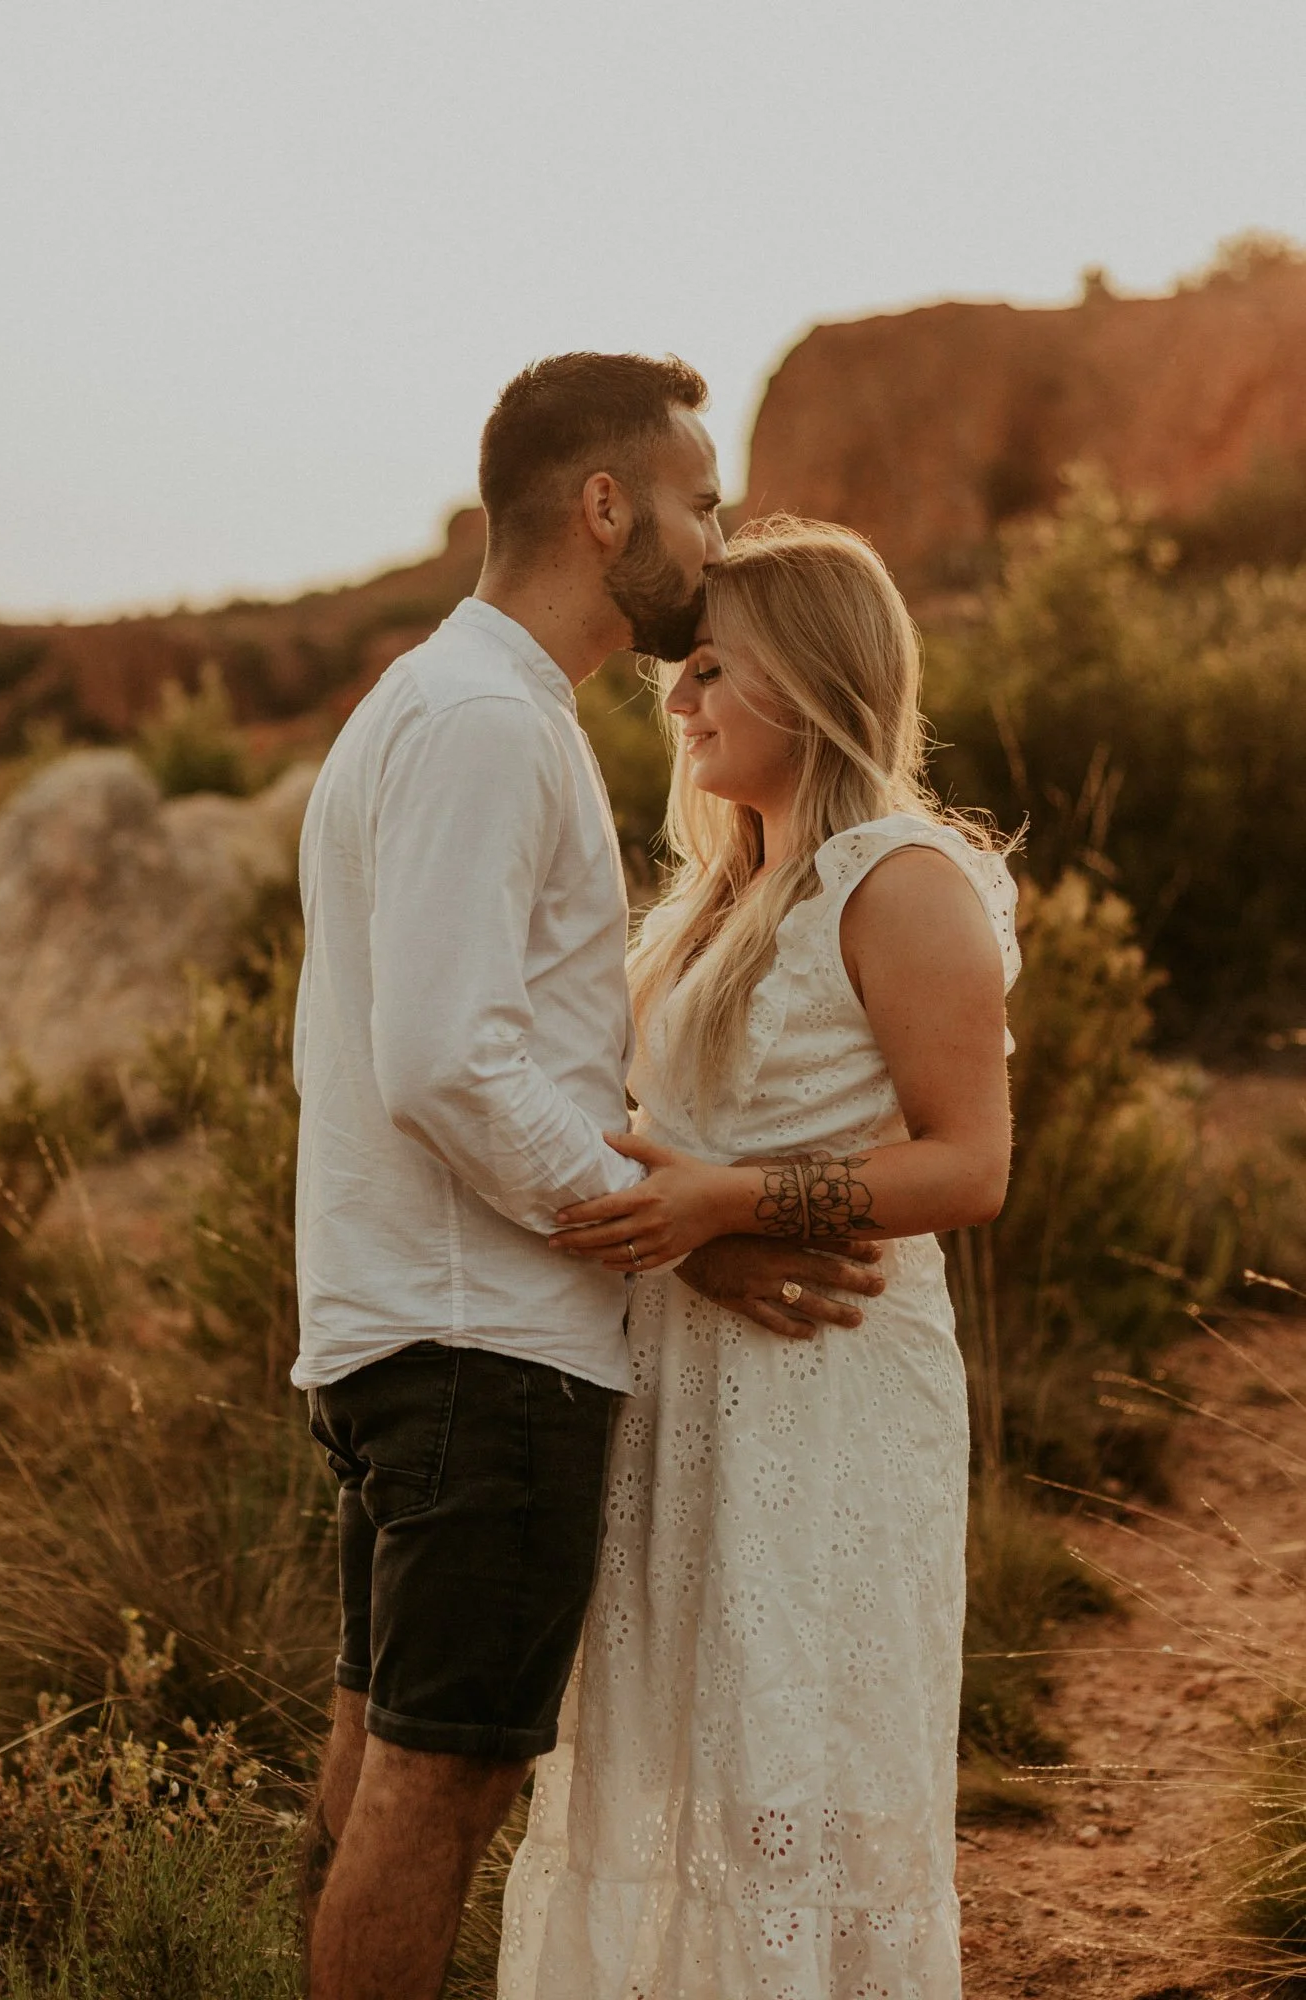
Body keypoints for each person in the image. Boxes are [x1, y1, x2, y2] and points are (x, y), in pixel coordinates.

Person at [291, 360, 885, 2000]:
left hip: (400, 1319)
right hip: (481, 1346)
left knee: (376, 1768)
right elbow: (443, 1061)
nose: (708, 540)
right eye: (695, 502)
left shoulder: (431, 703)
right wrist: (656, 1235)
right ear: (601, 505)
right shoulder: (491, 720)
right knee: (442, 1782)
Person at [498, 516, 1021, 2000]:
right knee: (676, 1762)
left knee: (802, 1763)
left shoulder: (899, 878)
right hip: (683, 1387)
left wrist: (728, 1205)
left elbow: (969, 1161)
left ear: (813, 674)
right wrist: (694, 1223)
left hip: (832, 1391)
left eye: (713, 668)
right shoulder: (711, 898)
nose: (678, 702)